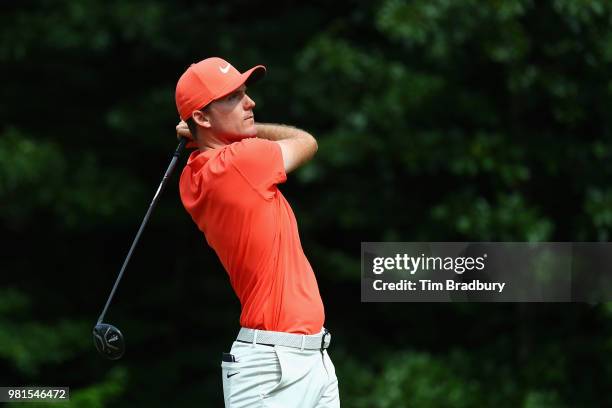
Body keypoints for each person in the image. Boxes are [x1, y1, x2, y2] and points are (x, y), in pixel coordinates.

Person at [174, 57, 340, 408]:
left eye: (245, 93)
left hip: (307, 359)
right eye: (233, 98)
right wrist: (252, 128)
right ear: (202, 118)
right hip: (273, 368)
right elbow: (306, 141)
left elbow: (212, 146)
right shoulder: (241, 161)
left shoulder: (193, 175)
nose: (249, 103)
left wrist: (201, 132)